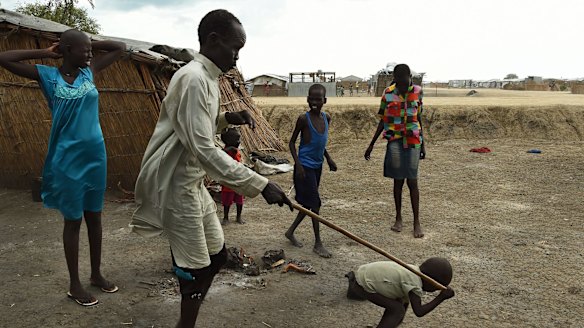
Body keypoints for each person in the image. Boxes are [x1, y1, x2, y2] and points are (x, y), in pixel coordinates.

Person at [129, 9, 291, 328]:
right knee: (195, 269)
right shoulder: (192, 79)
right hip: (176, 185)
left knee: (216, 258)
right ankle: (185, 319)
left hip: (193, 184)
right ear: (214, 40)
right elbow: (203, 149)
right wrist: (260, 185)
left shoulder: (209, 78)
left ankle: (189, 294)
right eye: (235, 48)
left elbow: (196, 124)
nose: (237, 57)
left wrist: (226, 119)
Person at [0, 29, 125, 306]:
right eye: (84, 49)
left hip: (96, 157)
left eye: (91, 49)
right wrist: (46, 52)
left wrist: (89, 42)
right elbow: (4, 58)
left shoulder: (90, 71)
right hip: (67, 160)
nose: (91, 54)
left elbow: (119, 46)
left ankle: (96, 275)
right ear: (66, 50)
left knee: (95, 217)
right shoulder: (47, 76)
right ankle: (74, 285)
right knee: (73, 220)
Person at [364, 64, 426, 238]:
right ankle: (398, 217)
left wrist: (424, 144)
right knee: (398, 180)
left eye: (405, 80)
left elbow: (418, 117)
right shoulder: (388, 93)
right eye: (399, 81)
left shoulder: (417, 91)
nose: (403, 84)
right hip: (395, 141)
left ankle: (416, 222)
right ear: (395, 78)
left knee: (412, 181)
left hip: (414, 140)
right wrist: (371, 144)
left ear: (410, 76)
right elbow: (383, 119)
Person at [285, 84, 337, 258]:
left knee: (309, 204)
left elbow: (320, 144)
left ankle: (290, 231)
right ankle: (318, 243)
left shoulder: (326, 118)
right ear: (307, 99)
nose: (314, 102)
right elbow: (292, 143)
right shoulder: (303, 119)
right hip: (304, 168)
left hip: (317, 167)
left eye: (318, 99)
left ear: (325, 101)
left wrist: (328, 159)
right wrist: (298, 164)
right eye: (311, 99)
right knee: (315, 204)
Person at [345, 258, 455, 327]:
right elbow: (419, 312)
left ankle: (353, 285)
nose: (435, 291)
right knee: (397, 309)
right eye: (436, 288)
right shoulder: (414, 283)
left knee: (400, 305)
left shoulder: (413, 271)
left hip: (362, 275)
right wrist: (441, 297)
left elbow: (404, 304)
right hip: (364, 283)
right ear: (430, 282)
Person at [220, 128, 245, 225]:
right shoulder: (225, 151)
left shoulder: (236, 151)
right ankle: (225, 217)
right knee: (227, 201)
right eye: (237, 139)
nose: (239, 142)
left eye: (239, 139)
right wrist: (227, 150)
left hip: (238, 180)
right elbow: (220, 154)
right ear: (228, 141)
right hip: (228, 182)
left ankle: (238, 217)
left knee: (239, 200)